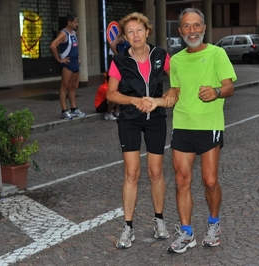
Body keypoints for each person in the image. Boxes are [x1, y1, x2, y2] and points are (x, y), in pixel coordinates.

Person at [165, 8, 237, 254]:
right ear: (180, 30)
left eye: (196, 25)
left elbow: (229, 87)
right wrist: (162, 98)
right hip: (182, 124)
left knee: (210, 180)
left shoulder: (218, 54)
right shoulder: (176, 60)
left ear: (204, 28)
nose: (192, 30)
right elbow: (175, 90)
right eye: (186, 26)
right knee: (181, 181)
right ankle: (186, 233)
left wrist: (216, 92)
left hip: (209, 125)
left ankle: (214, 224)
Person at [106, 12, 176, 249]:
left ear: (147, 31)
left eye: (139, 30)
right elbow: (111, 94)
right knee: (132, 173)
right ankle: (128, 227)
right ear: (125, 37)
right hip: (130, 120)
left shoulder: (161, 55)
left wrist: (164, 98)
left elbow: (176, 83)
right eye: (130, 32)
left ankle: (159, 221)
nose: (135, 35)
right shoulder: (119, 61)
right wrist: (134, 101)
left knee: (156, 172)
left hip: (156, 119)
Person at [50, 13, 86, 120]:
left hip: (75, 62)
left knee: (73, 86)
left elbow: (75, 47)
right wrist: (59, 59)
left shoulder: (73, 33)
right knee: (65, 85)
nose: (76, 24)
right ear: (69, 22)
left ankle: (74, 108)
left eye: (77, 22)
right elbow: (52, 46)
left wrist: (78, 57)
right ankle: (64, 110)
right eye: (74, 22)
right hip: (68, 63)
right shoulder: (63, 34)